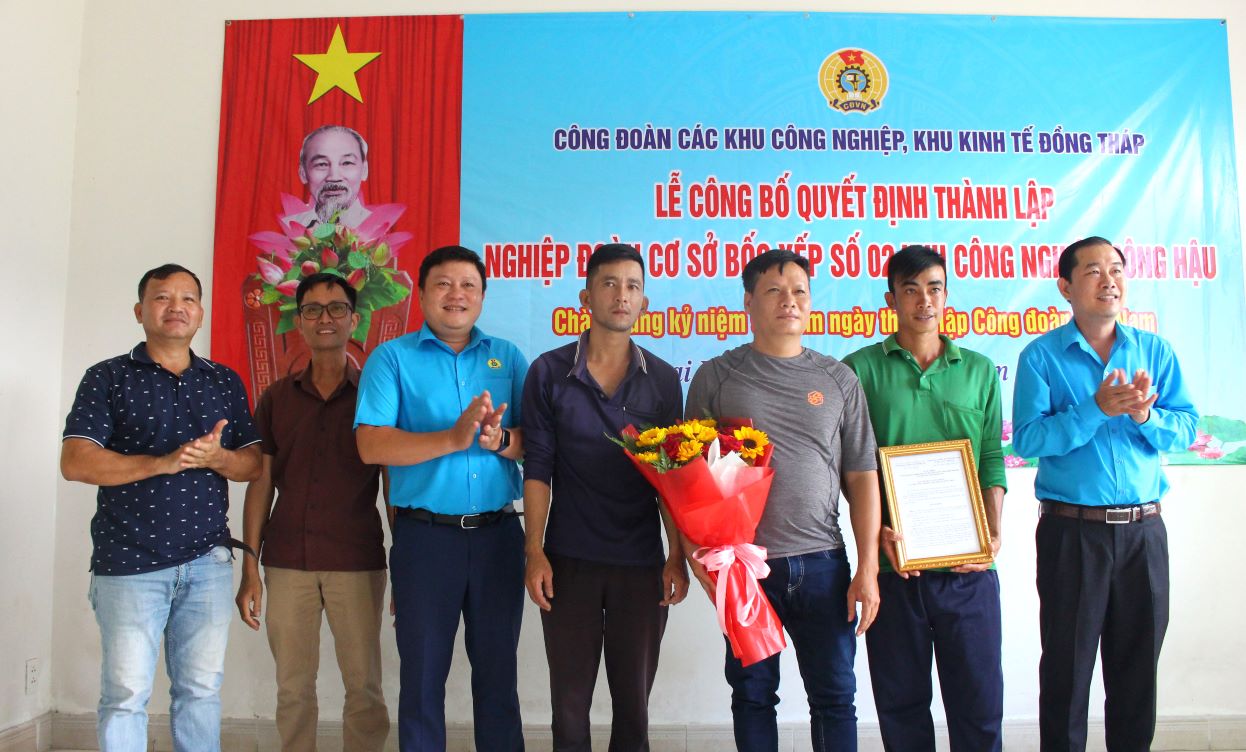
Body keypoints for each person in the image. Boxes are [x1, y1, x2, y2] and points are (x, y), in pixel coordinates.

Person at [684, 248, 881, 752]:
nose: (788, 301)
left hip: (824, 564)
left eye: (798, 291)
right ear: (749, 301)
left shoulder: (839, 379)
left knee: (835, 697)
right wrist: (698, 560)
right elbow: (688, 478)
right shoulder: (718, 375)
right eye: (774, 290)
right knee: (752, 695)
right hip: (747, 569)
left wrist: (868, 568)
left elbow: (861, 476)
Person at [60, 264, 262, 752]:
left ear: (201, 313)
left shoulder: (224, 380)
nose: (177, 307)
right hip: (129, 563)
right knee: (126, 695)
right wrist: (161, 463)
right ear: (139, 311)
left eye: (188, 299)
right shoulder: (106, 377)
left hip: (207, 563)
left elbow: (253, 463)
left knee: (200, 692)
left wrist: (221, 458)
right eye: (162, 298)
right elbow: (75, 461)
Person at [1013, 235, 1198, 752]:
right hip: (1073, 533)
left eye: (1116, 268)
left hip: (1143, 533)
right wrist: (1096, 409)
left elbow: (1185, 429)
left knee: (1137, 674)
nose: (1109, 279)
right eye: (1093, 271)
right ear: (1066, 287)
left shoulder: (1154, 351)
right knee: (1068, 674)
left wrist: (1143, 414)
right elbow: (1028, 439)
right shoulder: (1041, 357)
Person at [355, 245, 527, 752]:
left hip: (498, 536)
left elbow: (536, 440)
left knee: (498, 676)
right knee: (423, 679)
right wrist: (450, 439)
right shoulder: (392, 359)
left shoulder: (508, 357)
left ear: (482, 296)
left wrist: (503, 441)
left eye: (469, 285)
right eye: (444, 284)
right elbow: (370, 444)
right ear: (424, 294)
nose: (457, 295)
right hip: (426, 540)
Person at [521, 243, 689, 751]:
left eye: (633, 286)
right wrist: (534, 552)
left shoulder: (661, 379)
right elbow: (539, 468)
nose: (622, 295)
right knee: (569, 704)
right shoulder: (548, 373)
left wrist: (676, 554)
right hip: (568, 560)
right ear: (586, 297)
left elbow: (671, 478)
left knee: (633, 703)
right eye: (610, 284)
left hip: (640, 564)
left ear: (644, 302)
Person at [843, 245, 1006, 751]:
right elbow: (854, 470)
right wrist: (876, 534)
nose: (923, 300)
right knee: (902, 708)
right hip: (895, 571)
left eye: (933, 288)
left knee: (978, 706)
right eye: (910, 290)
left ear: (946, 295)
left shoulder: (979, 370)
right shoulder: (859, 369)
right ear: (891, 298)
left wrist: (993, 533)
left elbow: (992, 460)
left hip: (969, 572)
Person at [234, 272, 391, 751]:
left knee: (364, 689)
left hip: (357, 561)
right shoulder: (276, 399)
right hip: (287, 563)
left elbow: (393, 488)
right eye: (313, 310)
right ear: (299, 322)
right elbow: (260, 485)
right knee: (293, 688)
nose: (326, 319)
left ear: (354, 320)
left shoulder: (375, 396)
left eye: (337, 308)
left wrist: (406, 566)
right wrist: (250, 567)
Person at [285, 124, 372, 228]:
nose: (334, 177)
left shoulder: (381, 226)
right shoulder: (288, 227)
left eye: (347, 163)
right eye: (321, 164)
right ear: (303, 173)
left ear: (364, 170)